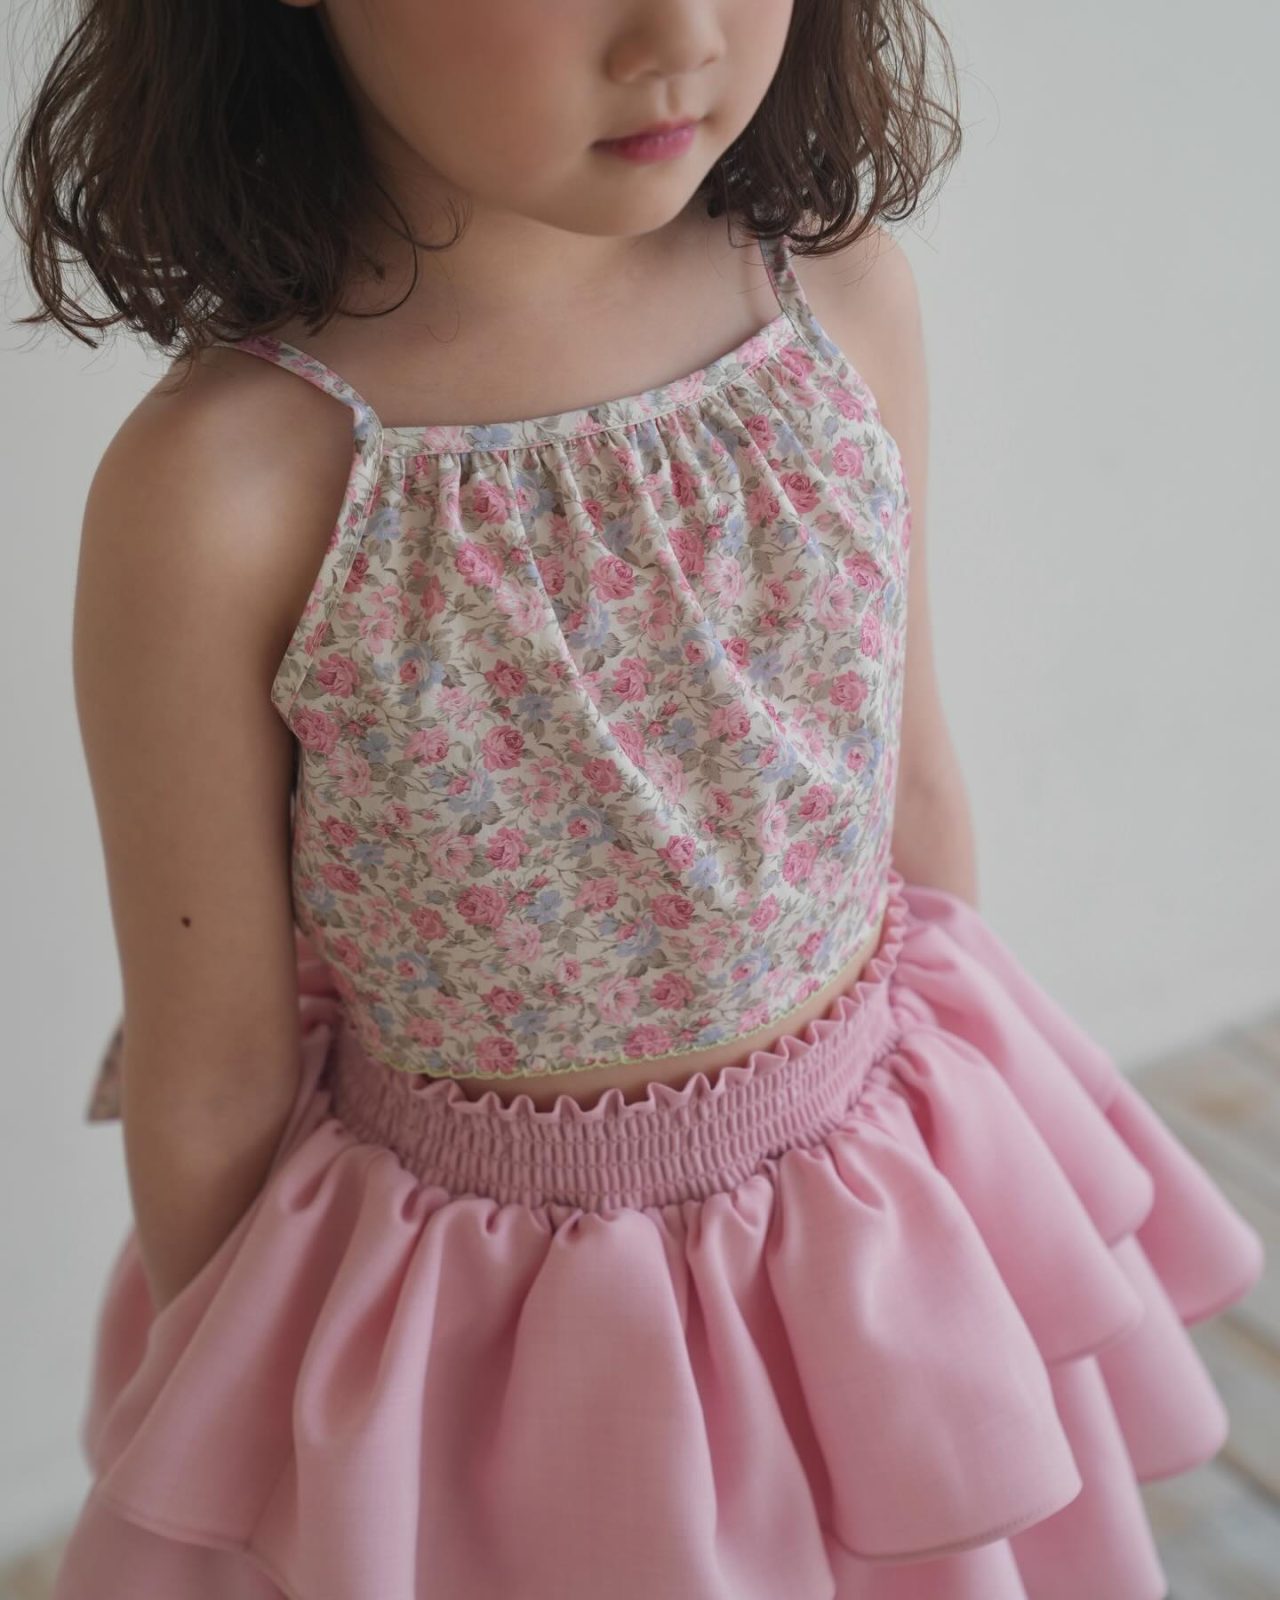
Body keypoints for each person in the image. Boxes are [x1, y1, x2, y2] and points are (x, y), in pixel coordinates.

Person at [5, 0, 1263, 1596]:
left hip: (867, 1266)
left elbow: (914, 798)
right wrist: (257, 1475)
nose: (678, 33)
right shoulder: (231, 484)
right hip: (493, 1358)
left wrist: (963, 1202)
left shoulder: (835, 299)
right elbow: (213, 1078)